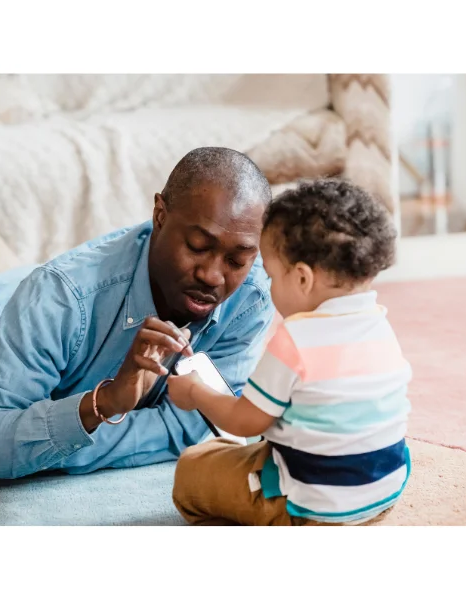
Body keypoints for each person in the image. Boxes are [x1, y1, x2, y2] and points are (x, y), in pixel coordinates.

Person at [0, 133, 274, 485]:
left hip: (27, 287)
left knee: (18, 275)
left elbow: (184, 428)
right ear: (159, 215)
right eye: (199, 247)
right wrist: (104, 404)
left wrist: (36, 454)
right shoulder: (60, 294)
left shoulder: (252, 294)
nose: (213, 276)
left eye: (237, 259)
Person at [167, 179, 412, 525]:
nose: (269, 289)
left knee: (193, 468)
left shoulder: (296, 338)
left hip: (309, 509)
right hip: (382, 492)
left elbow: (244, 420)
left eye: (271, 277)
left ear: (301, 278)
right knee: (251, 450)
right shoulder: (379, 325)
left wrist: (195, 391)